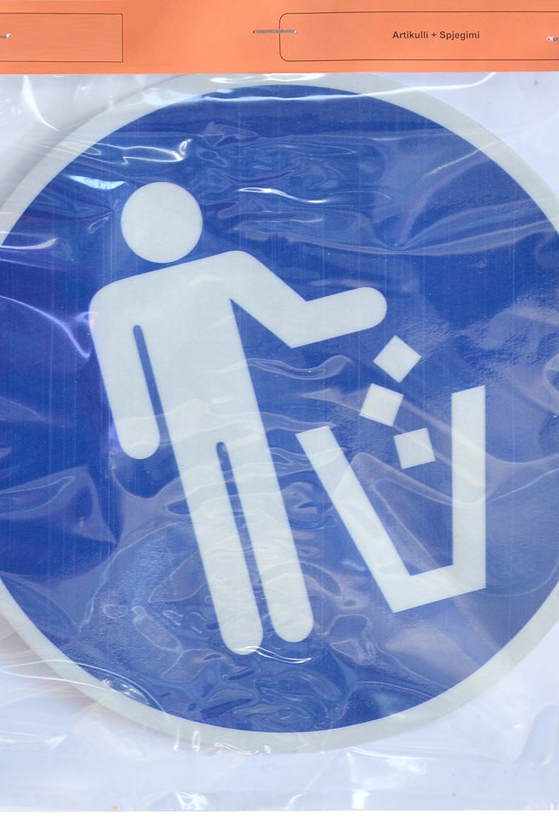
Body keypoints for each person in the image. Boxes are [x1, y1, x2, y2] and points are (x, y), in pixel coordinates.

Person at [90, 182, 387, 654]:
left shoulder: (218, 271)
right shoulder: (124, 298)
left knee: (251, 509)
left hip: (235, 419)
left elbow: (293, 320)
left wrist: (358, 308)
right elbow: (122, 372)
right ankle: (255, 622)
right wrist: (140, 433)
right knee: (225, 516)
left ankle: (284, 616)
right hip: (197, 431)